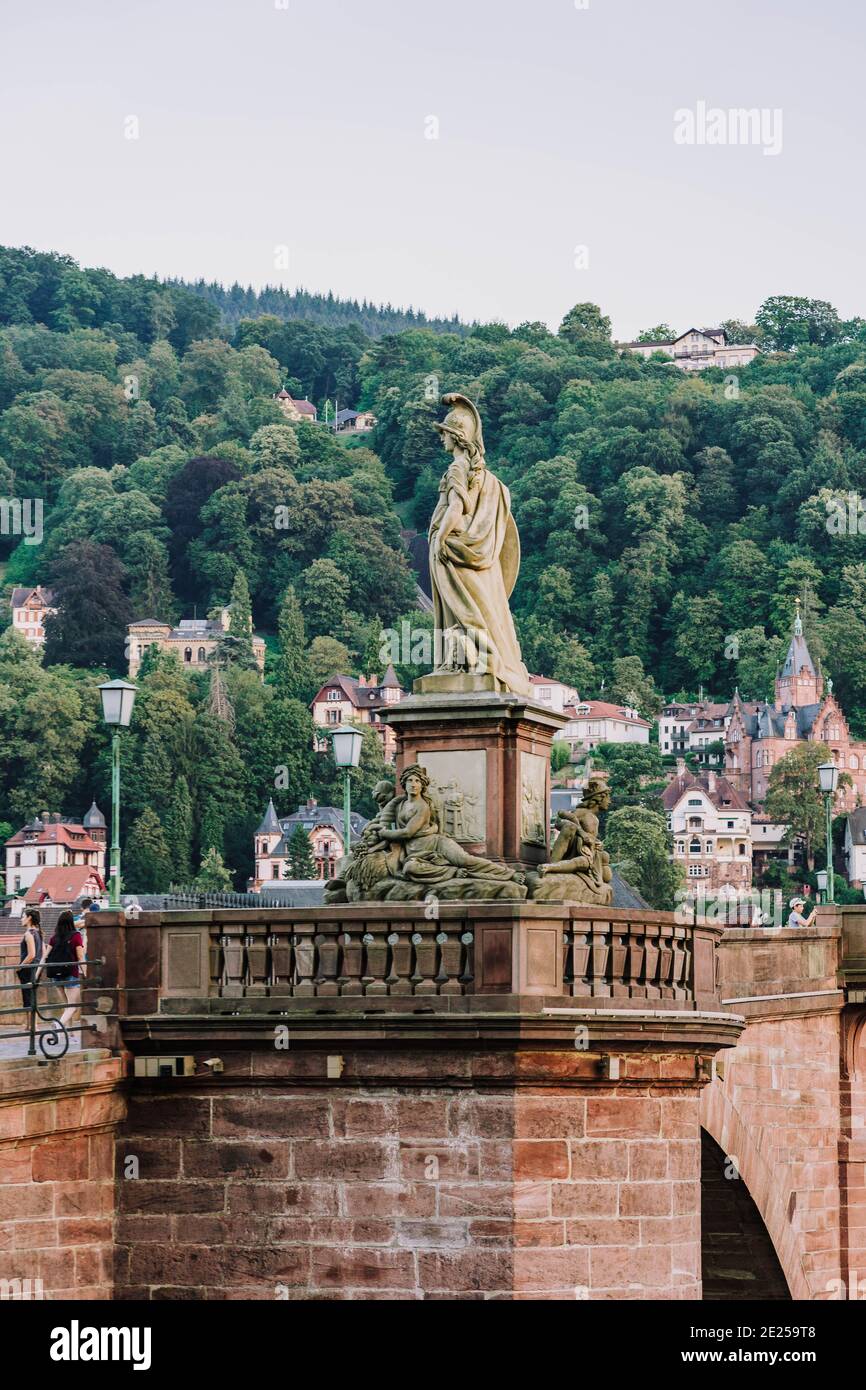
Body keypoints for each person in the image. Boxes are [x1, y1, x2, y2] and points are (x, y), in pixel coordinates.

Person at [44, 909, 86, 1035]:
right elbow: (80, 956)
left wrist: (37, 972)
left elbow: (46, 955)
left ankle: (70, 1033)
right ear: (71, 922)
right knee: (72, 1006)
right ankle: (58, 1025)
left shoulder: (54, 938)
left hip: (56, 974)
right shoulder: (76, 936)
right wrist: (87, 973)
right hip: (70, 973)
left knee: (67, 1005)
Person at [16, 907, 43, 1011]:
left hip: (28, 969)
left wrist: (20, 967)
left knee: (27, 997)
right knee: (32, 996)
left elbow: (32, 955)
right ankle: (31, 1025)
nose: (21, 919)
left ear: (29, 918)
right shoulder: (38, 933)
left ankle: (32, 1025)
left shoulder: (29, 934)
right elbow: (42, 953)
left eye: (23, 917)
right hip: (35, 968)